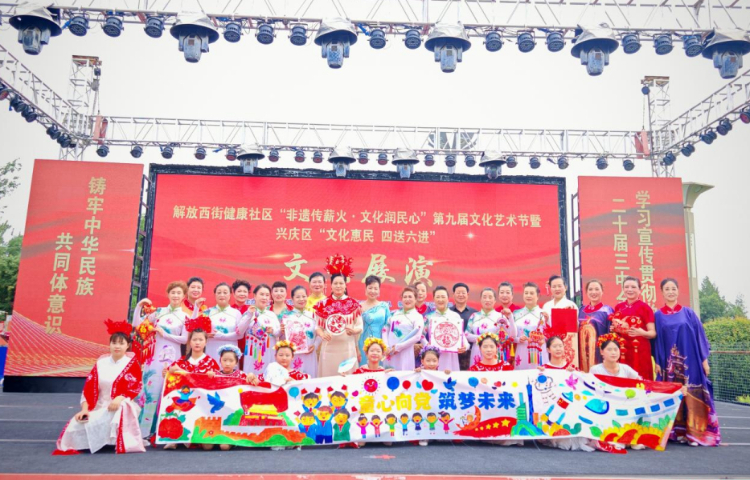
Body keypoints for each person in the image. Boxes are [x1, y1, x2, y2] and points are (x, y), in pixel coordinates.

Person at [54, 320, 144, 455]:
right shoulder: (101, 363)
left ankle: (116, 440)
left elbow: (135, 387)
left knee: (121, 408)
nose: (117, 346)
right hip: (99, 406)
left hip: (120, 406)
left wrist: (120, 398)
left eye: (121, 343)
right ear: (109, 344)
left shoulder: (131, 363)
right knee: (74, 428)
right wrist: (84, 410)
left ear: (128, 346)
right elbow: (89, 389)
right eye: (114, 343)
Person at [654, 278, 721, 447]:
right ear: (662, 292)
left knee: (693, 393)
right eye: (667, 289)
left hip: (691, 361)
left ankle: (694, 433)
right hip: (669, 364)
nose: (670, 292)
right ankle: (677, 432)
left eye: (673, 288)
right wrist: (657, 361)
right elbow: (656, 341)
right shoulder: (658, 316)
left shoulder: (688, 313)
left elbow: (700, 337)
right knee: (673, 394)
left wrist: (704, 361)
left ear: (678, 291)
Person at [132, 281, 189, 438]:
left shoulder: (185, 316)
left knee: (169, 392)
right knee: (150, 392)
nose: (175, 295)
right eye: (173, 292)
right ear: (168, 294)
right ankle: (143, 431)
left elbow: (185, 339)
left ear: (184, 296)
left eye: (179, 293)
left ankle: (165, 431)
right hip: (154, 358)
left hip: (173, 359)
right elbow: (137, 324)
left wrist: (165, 334)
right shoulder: (158, 312)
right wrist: (139, 306)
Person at [314, 270, 363, 377]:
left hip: (347, 348)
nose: (338, 286)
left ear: (345, 285)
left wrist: (354, 331)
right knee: (328, 377)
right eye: (335, 283)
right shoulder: (323, 304)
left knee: (348, 378)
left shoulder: (353, 304)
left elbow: (359, 325)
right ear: (331, 286)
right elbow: (318, 326)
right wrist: (322, 334)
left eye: (341, 283)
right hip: (329, 348)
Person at [611, 276, 656, 380]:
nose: (630, 290)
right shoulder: (619, 307)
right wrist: (614, 329)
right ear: (623, 289)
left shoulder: (645, 308)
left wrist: (642, 332)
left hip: (640, 351)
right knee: (623, 379)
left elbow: (653, 333)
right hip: (622, 350)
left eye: (633, 287)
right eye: (626, 287)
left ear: (639, 290)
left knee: (641, 379)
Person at [466, 288, 516, 367]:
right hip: (477, 351)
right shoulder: (474, 316)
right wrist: (483, 338)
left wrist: (510, 317)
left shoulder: (500, 316)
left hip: (495, 352)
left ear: (495, 300)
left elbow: (512, 335)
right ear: (481, 299)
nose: (487, 300)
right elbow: (466, 335)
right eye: (484, 297)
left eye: (490, 297)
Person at [199, 282, 246, 363]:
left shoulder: (236, 313)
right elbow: (200, 332)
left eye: (225, 292)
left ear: (230, 295)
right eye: (219, 292)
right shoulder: (207, 312)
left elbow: (240, 335)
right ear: (215, 295)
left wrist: (221, 335)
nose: (222, 295)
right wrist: (205, 335)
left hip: (230, 351)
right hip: (212, 349)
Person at [242, 284, 281, 375]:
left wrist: (273, 331)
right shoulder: (248, 313)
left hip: (269, 350)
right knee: (252, 374)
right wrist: (249, 315)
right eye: (262, 294)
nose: (264, 297)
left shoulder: (271, 314)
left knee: (269, 375)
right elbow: (240, 331)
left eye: (267, 295)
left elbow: (278, 333)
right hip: (253, 351)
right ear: (255, 296)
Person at [426, 286, 467, 371]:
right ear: (433, 299)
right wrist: (427, 345)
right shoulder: (428, 317)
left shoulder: (455, 316)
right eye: (437, 297)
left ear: (448, 299)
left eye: (443, 297)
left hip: (451, 356)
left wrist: (465, 347)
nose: (440, 299)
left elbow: (461, 335)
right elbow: (421, 335)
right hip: (433, 355)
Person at [281, 286, 318, 378]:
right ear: (292, 299)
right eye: (298, 297)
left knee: (310, 379)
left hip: (310, 354)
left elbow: (320, 334)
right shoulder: (286, 317)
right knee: (294, 379)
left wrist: (315, 345)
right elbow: (283, 339)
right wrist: (282, 332)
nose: (301, 299)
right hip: (293, 355)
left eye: (304, 296)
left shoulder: (313, 316)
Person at [383, 287, 424, 371]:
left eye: (410, 297)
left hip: (406, 352)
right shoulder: (394, 314)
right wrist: (386, 346)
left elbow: (417, 337)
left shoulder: (418, 317)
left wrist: (399, 347)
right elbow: (385, 330)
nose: (407, 299)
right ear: (401, 299)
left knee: (404, 374)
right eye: (405, 297)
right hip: (390, 352)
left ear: (415, 299)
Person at [578, 279, 613, 372]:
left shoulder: (607, 310)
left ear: (602, 292)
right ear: (586, 292)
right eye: (590, 289)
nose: (593, 292)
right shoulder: (581, 310)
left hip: (599, 353)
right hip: (581, 353)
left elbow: (611, 335)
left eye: (597, 289)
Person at [514, 282, 549, 370]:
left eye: (531, 293)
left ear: (538, 296)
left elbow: (550, 336)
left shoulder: (544, 314)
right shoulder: (516, 314)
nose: (528, 295)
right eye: (526, 293)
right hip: (521, 351)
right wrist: (518, 339)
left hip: (539, 352)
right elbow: (511, 336)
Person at [358, 276, 391, 366]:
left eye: (375, 288)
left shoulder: (384, 306)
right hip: (363, 344)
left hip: (381, 345)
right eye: (370, 288)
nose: (373, 291)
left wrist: (387, 345)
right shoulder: (359, 307)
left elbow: (389, 327)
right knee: (364, 368)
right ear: (365, 289)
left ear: (379, 291)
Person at [450, 282, 477, 370]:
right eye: (458, 293)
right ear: (453, 295)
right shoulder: (448, 312)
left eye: (463, 293)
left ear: (467, 295)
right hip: (452, 352)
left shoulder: (475, 313)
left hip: (470, 351)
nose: (461, 295)